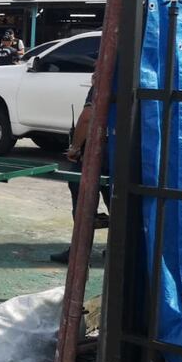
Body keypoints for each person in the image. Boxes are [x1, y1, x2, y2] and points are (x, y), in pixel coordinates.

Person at [50, 77, 112, 264]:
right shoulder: (131, 78)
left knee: (82, 201)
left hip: (95, 152)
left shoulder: (103, 82)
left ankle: (79, 253)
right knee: (116, 202)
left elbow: (87, 118)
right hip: (119, 152)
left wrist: (75, 147)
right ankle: (117, 250)